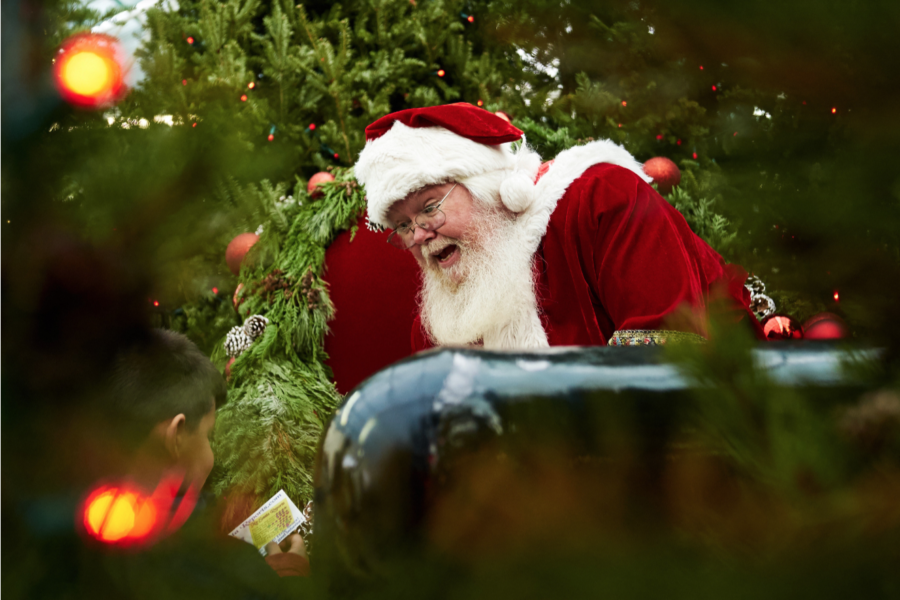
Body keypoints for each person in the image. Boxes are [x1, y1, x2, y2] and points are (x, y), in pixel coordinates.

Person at [353, 103, 763, 351]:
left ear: (484, 188)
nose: (419, 235)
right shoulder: (442, 320)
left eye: (429, 208)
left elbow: (669, 351)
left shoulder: (600, 199)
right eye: (402, 226)